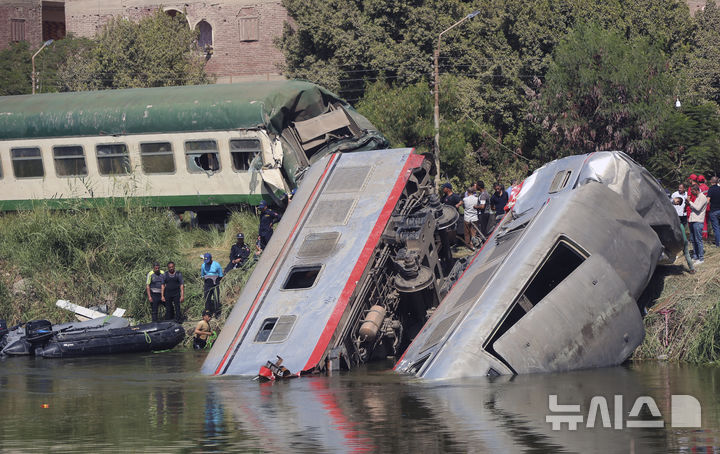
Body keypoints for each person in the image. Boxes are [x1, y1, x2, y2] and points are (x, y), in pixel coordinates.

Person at [688, 184, 708, 264]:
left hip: (698, 221)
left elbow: (698, 208)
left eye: (692, 191)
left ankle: (701, 258)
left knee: (698, 240)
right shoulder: (697, 197)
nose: (691, 193)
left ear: (696, 190)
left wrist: (690, 202)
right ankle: (695, 256)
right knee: (693, 240)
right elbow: (694, 207)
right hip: (693, 220)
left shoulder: (702, 197)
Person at [462, 185, 480, 249]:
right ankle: (474, 244)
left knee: (467, 233)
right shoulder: (476, 199)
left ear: (467, 192)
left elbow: (463, 206)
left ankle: (469, 245)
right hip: (474, 217)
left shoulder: (465, 199)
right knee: (473, 232)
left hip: (467, 218)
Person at [707, 176, 720, 247]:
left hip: (714, 211)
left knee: (716, 228)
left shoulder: (711, 189)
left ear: (711, 182)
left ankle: (718, 244)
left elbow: (708, 200)